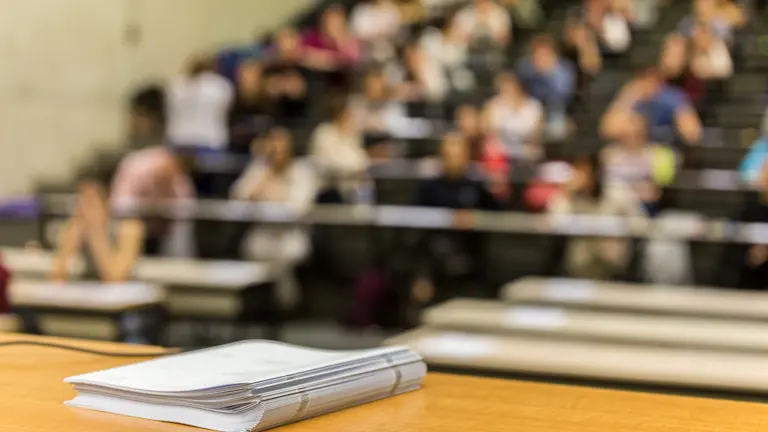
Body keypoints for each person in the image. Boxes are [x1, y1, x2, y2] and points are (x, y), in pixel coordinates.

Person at [50, 147, 196, 283]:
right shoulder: (78, 224)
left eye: (90, 201)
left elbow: (115, 277)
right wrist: (72, 237)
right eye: (80, 199)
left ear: (106, 199)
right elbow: (57, 276)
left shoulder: (130, 228)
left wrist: (96, 233)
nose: (82, 206)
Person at [409, 134, 501, 315]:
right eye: (448, 155)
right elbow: (416, 227)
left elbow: (497, 213)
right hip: (435, 258)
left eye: (458, 154)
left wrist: (478, 215)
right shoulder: (429, 188)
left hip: (471, 255)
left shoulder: (476, 186)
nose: (453, 159)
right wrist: (421, 275)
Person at [231, 128, 317, 309]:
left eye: (281, 149)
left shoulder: (302, 171)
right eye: (273, 149)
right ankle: (258, 307)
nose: (277, 153)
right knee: (254, 250)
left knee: (285, 260)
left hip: (289, 234)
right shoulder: (259, 169)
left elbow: (298, 207)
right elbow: (239, 196)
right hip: (262, 232)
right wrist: (266, 176)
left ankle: (284, 308)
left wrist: (268, 196)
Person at [547, 155, 641, 279]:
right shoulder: (569, 195)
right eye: (577, 172)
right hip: (581, 260)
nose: (580, 177)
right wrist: (566, 194)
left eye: (585, 172)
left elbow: (639, 223)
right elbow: (555, 221)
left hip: (612, 258)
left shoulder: (618, 192)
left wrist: (614, 227)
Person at [600, 67, 702, 146]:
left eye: (651, 79)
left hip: (662, 150)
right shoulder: (630, 96)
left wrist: (680, 120)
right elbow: (607, 130)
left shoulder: (672, 98)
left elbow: (693, 134)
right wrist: (627, 99)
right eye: (642, 79)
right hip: (635, 150)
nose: (647, 85)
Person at [166, 55, 235, 152]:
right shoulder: (220, 85)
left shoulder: (175, 85)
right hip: (209, 140)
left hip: (179, 139)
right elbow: (227, 110)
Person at [515, 35, 575, 140]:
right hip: (530, 110)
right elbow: (521, 89)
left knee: (558, 127)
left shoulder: (564, 69)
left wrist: (548, 73)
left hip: (555, 111)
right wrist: (536, 71)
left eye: (545, 54)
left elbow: (563, 96)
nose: (542, 57)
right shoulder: (525, 67)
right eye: (538, 54)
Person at [310, 98, 370, 203]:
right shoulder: (324, 133)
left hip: (351, 190)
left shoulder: (353, 136)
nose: (353, 120)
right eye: (350, 115)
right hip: (327, 189)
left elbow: (362, 163)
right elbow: (327, 164)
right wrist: (351, 169)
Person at [483, 72, 544, 161]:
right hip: (501, 152)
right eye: (503, 88)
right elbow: (489, 131)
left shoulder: (534, 106)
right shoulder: (493, 105)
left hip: (528, 151)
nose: (508, 91)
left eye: (511, 87)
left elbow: (538, 132)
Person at [351, 68, 407, 159]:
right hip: (360, 145)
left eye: (377, 85)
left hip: (387, 145)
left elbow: (394, 127)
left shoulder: (393, 105)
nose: (373, 88)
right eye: (370, 85)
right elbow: (352, 126)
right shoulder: (356, 102)